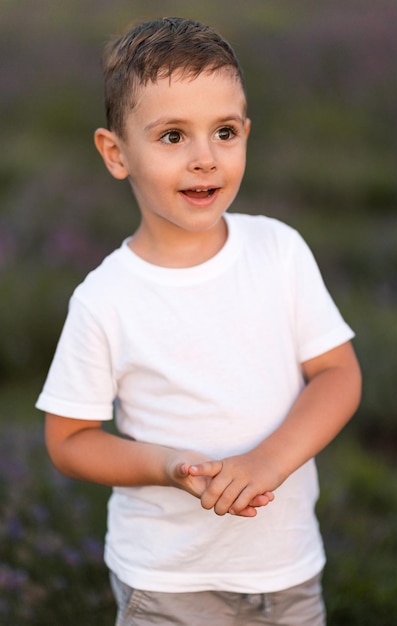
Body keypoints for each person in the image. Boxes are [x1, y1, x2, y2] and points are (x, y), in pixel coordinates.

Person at [36, 16, 361, 626]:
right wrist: (165, 466)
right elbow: (69, 441)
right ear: (116, 153)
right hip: (167, 582)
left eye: (225, 132)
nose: (206, 159)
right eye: (172, 137)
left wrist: (269, 461)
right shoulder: (105, 298)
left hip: (286, 568)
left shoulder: (279, 252)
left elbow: (338, 373)